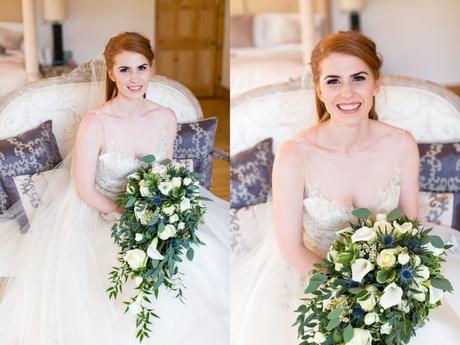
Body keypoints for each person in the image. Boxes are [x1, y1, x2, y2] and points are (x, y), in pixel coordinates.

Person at [231, 31, 460, 345]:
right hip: (316, 279)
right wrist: (352, 291)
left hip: (389, 282)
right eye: (334, 81)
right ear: (319, 89)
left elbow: (410, 227)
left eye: (358, 78)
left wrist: (386, 287)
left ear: (376, 84)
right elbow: (291, 248)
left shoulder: (401, 144)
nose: (347, 93)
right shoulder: (295, 153)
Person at [0, 32, 229, 345]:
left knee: (203, 260)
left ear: (151, 68)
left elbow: (169, 171)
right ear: (111, 73)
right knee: (123, 276)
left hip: (159, 214)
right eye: (124, 70)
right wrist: (126, 214)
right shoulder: (96, 122)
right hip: (105, 214)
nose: (134, 79)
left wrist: (168, 209)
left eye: (141, 68)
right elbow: (84, 188)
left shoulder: (166, 117)